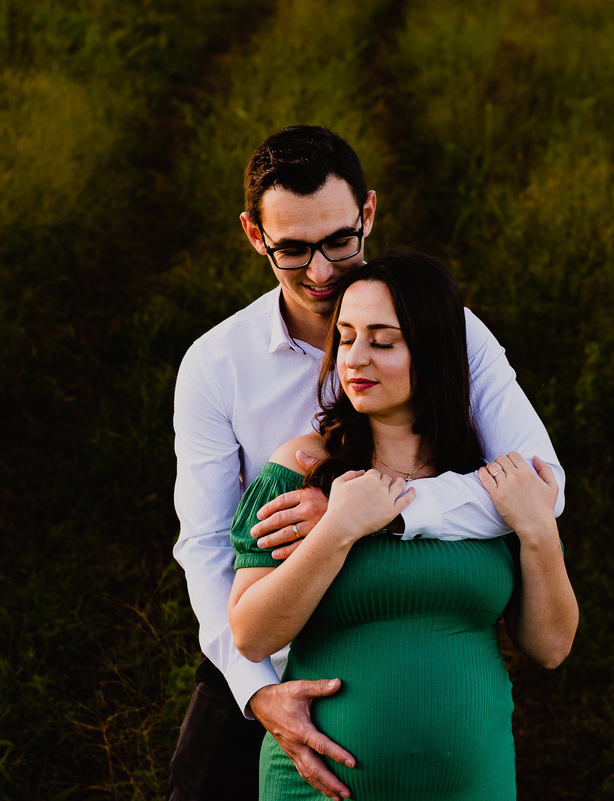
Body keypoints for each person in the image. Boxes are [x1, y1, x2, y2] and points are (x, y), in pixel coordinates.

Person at [171, 125, 565, 800]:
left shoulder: (449, 332)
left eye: (338, 241)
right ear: (255, 235)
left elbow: (541, 488)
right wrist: (257, 690)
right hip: (264, 641)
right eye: (292, 249)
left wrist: (373, 509)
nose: (321, 272)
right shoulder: (216, 363)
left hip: (403, 616)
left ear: (369, 214)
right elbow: (206, 542)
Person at [228, 251, 578, 800]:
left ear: (434, 351)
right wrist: (337, 529)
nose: (355, 359)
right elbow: (251, 635)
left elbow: (551, 646)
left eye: (383, 342)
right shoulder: (304, 469)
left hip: (474, 788)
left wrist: (538, 530)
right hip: (321, 791)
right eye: (346, 337)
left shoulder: (486, 484)